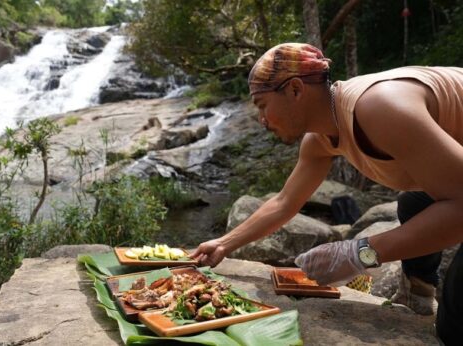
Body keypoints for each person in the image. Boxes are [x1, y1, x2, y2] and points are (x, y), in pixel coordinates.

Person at [190, 42, 463, 345]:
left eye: (262, 105)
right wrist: (223, 243)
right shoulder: (320, 140)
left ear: (295, 89)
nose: (262, 120)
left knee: (454, 324)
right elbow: (284, 203)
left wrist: (358, 253)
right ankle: (419, 295)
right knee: (414, 201)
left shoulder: (379, 107)